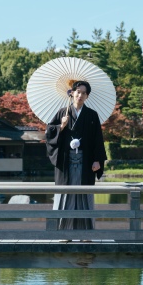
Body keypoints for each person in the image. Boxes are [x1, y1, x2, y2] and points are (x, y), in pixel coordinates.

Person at [45, 80, 107, 230]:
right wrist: (61, 126)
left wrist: (97, 160)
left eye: (83, 93)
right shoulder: (62, 112)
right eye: (77, 92)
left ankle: (86, 233)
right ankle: (63, 233)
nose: (80, 95)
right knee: (64, 195)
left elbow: (98, 139)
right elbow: (49, 133)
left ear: (87, 96)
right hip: (66, 161)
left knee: (84, 196)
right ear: (72, 93)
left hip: (85, 162)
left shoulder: (92, 115)